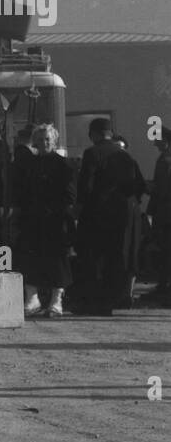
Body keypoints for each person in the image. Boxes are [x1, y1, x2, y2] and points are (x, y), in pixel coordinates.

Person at [73, 116, 146, 315]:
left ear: (93, 134)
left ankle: (94, 303)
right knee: (114, 258)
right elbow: (139, 185)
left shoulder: (92, 153)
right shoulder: (125, 156)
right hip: (123, 216)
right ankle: (110, 300)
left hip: (97, 214)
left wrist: (79, 209)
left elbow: (86, 185)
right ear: (111, 134)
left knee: (94, 258)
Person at [13, 123, 75, 317]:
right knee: (30, 258)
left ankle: (56, 302)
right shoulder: (28, 165)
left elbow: (70, 195)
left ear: (54, 141)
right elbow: (21, 192)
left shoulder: (64, 165)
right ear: (34, 142)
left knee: (57, 260)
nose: (44, 143)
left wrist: (53, 209)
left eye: (47, 139)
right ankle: (32, 299)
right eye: (40, 140)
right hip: (32, 220)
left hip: (55, 221)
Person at [139, 123, 171, 306]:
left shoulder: (165, 160)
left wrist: (151, 188)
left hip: (165, 212)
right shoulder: (163, 159)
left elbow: (163, 188)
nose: (155, 144)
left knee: (166, 248)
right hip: (163, 212)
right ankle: (164, 283)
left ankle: (165, 284)